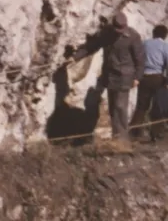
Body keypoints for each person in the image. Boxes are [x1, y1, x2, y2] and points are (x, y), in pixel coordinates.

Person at [68, 12, 145, 146]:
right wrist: (75, 57)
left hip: (124, 77)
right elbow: (92, 46)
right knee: (113, 107)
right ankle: (116, 136)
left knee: (120, 107)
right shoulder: (106, 34)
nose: (119, 33)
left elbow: (140, 59)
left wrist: (137, 77)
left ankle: (122, 140)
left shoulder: (133, 36)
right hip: (109, 75)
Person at [131, 24, 168, 142]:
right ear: (165, 35)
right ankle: (156, 134)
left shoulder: (144, 43)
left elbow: (137, 59)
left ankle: (135, 132)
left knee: (141, 106)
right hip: (158, 78)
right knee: (158, 106)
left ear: (153, 33)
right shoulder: (164, 46)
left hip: (144, 77)